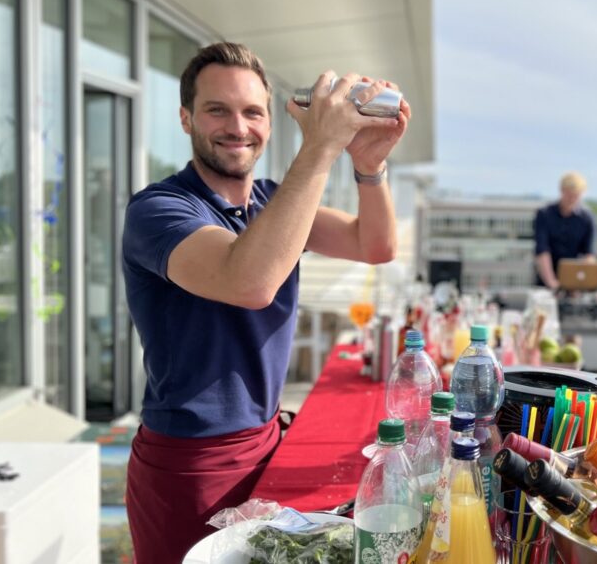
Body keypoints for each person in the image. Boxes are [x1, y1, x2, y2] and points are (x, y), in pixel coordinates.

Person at [121, 42, 411, 563]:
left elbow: (376, 245)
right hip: (189, 464)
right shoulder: (158, 209)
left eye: (253, 111)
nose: (238, 126)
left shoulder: (275, 202)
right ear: (185, 118)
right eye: (217, 110)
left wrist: (368, 167)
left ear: (269, 124)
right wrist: (321, 147)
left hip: (265, 442)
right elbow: (249, 281)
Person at [532, 171, 597, 290]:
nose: (572, 199)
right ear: (561, 191)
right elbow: (542, 251)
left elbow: (590, 255)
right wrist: (552, 282)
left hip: (575, 280)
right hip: (546, 278)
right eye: (569, 194)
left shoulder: (588, 218)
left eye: (576, 195)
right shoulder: (544, 214)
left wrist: (581, 283)